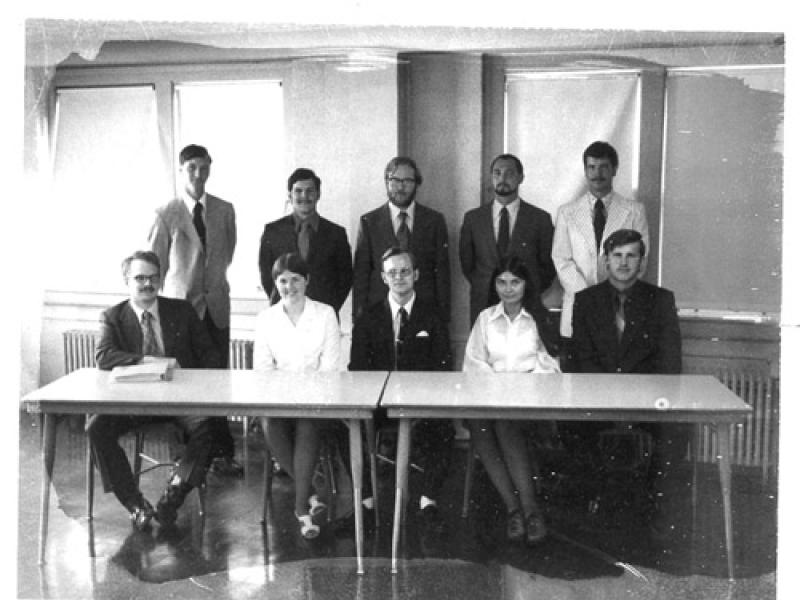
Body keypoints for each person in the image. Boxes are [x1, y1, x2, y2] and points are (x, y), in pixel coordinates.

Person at [88, 251, 224, 531]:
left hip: (179, 400)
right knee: (97, 427)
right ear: (127, 280)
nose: (147, 284)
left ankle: (173, 496)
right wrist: (145, 361)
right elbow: (103, 356)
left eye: (153, 277)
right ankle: (135, 505)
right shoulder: (112, 316)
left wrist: (188, 377)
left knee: (209, 426)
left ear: (161, 279)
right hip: (133, 405)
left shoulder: (182, 311)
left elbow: (210, 355)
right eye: (140, 278)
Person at [147, 143, 242, 477]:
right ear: (181, 169)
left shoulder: (224, 210)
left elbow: (227, 254)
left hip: (215, 309)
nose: (198, 175)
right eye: (191, 168)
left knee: (217, 383)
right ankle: (187, 461)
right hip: (180, 313)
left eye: (203, 167)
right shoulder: (166, 213)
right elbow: (153, 268)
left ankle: (223, 454)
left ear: (210, 168)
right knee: (183, 385)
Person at [350, 246, 453, 552]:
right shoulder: (368, 317)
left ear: (416, 274)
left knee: (444, 429)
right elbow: (357, 369)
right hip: (379, 404)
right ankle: (366, 505)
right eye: (392, 272)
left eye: (405, 271)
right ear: (383, 278)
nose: (399, 278)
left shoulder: (433, 315)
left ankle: (427, 502)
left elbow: (443, 365)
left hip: (421, 403)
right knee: (345, 428)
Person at [571, 229, 686, 487]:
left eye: (631, 256)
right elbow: (584, 361)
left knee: (676, 432)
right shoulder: (586, 301)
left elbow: (669, 363)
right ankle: (594, 497)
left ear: (642, 263)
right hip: (598, 401)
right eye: (617, 255)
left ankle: (651, 503)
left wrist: (636, 405)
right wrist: (612, 405)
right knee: (572, 429)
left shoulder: (661, 301)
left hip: (648, 403)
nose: (624, 262)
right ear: (606, 261)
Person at [463, 255, 561, 545]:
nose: (508, 289)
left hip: (529, 402)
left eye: (515, 282)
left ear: (526, 284)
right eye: (502, 282)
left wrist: (521, 385)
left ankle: (531, 511)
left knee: (506, 425)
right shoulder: (486, 319)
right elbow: (473, 362)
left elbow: (550, 364)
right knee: (480, 427)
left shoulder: (536, 319)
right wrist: (496, 388)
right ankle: (513, 509)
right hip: (490, 397)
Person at [253, 252, 342, 539]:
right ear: (274, 283)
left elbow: (330, 368)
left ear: (307, 281)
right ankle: (312, 493)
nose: (289, 287)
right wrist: (284, 393)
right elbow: (263, 370)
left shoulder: (326, 313)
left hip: (317, 399)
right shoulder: (266, 319)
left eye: (295, 280)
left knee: (307, 423)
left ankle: (301, 508)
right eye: (282, 281)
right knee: (269, 421)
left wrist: (306, 393)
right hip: (279, 399)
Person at [552, 141, 649, 363]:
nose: (597, 174)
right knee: (576, 383)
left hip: (619, 308)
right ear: (585, 170)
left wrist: (608, 297)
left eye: (604, 167)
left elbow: (639, 260)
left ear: (614, 169)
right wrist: (589, 298)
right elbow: (561, 259)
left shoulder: (634, 211)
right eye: (592, 167)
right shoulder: (567, 212)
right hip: (577, 307)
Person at [460, 153, 556, 326]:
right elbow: (468, 264)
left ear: (520, 177)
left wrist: (529, 289)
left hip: (527, 304)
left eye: (509, 173)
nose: (502, 178)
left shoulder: (539, 219)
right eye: (497, 173)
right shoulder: (473, 219)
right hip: (483, 303)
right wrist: (486, 284)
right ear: (491, 177)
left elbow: (548, 267)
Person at [353, 156, 450, 323]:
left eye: (407, 181)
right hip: (379, 313)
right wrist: (358, 319)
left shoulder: (434, 221)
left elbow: (442, 274)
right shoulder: (369, 222)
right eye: (395, 180)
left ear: (416, 184)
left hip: (424, 312)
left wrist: (443, 317)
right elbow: (361, 275)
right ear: (386, 182)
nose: (400, 187)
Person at [258, 168, 353, 316]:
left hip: (323, 316)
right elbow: (267, 276)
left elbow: (345, 279)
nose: (304, 196)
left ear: (318, 195)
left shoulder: (336, 234)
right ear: (289, 195)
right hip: (283, 315)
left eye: (310, 191)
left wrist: (328, 308)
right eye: (298, 191)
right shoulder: (273, 231)